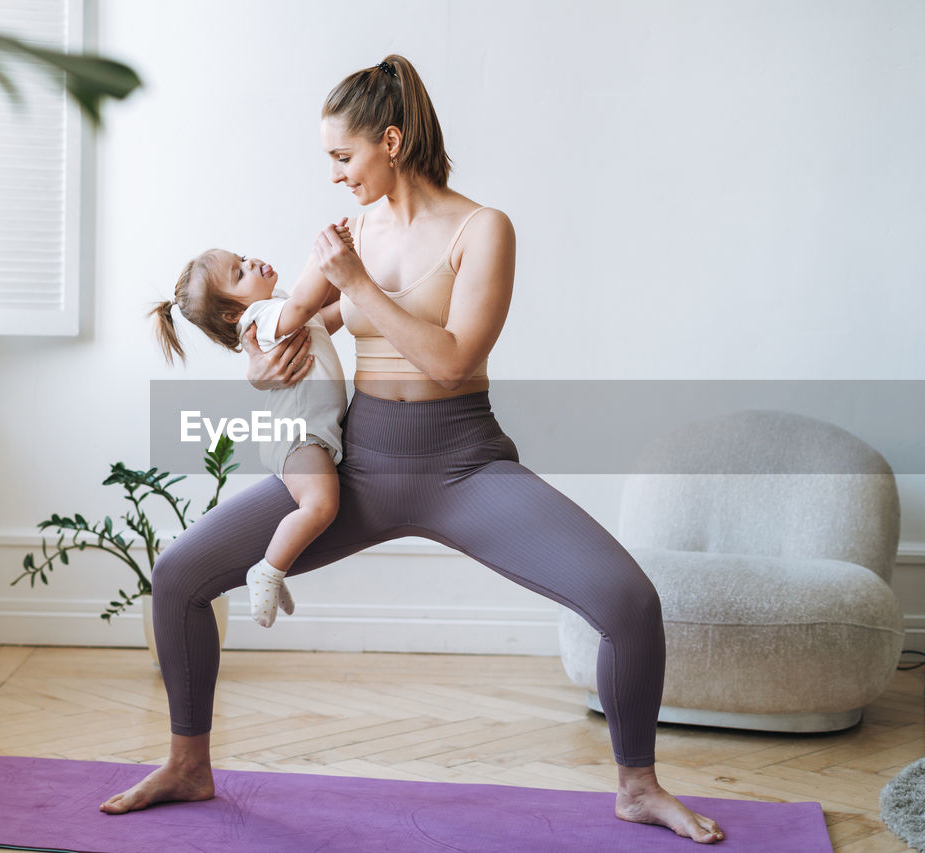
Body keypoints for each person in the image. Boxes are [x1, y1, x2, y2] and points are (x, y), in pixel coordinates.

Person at [105, 54, 725, 845]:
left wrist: (356, 285)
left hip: (465, 467)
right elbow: (292, 328)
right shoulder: (349, 234)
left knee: (629, 603)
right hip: (359, 465)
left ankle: (637, 786)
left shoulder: (481, 229)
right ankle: (188, 764)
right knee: (180, 575)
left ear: (390, 141)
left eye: (343, 156)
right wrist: (265, 363)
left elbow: (453, 358)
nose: (334, 175)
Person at [147, 228, 354, 627]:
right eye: (239, 274)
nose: (252, 263)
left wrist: (357, 291)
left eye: (241, 258)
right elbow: (305, 303)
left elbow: (324, 318)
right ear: (233, 314)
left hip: (303, 434)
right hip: (298, 437)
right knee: (322, 506)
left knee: (317, 507)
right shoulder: (262, 317)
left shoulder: (273, 309)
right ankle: (269, 570)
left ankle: (275, 564)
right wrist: (325, 252)